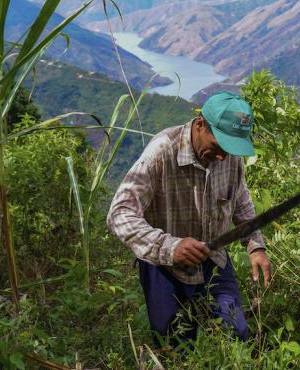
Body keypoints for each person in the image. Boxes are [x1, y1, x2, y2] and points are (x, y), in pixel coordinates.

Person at [107, 91, 271, 344]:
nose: (223, 157)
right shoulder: (162, 151)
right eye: (219, 147)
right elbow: (120, 213)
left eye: (230, 149)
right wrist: (170, 246)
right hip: (164, 266)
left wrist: (255, 245)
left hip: (213, 258)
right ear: (200, 124)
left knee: (235, 333)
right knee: (175, 344)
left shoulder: (230, 157)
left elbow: (241, 202)